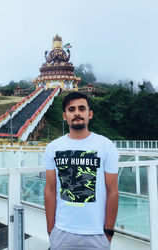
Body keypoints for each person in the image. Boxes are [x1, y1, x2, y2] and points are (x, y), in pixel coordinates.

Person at [44, 92, 118, 250]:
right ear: (65, 116)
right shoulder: (53, 147)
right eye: (71, 109)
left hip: (97, 234)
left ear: (89, 114)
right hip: (62, 231)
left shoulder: (105, 146)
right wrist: (51, 230)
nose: (77, 113)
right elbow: (50, 189)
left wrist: (108, 232)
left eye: (81, 108)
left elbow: (112, 191)